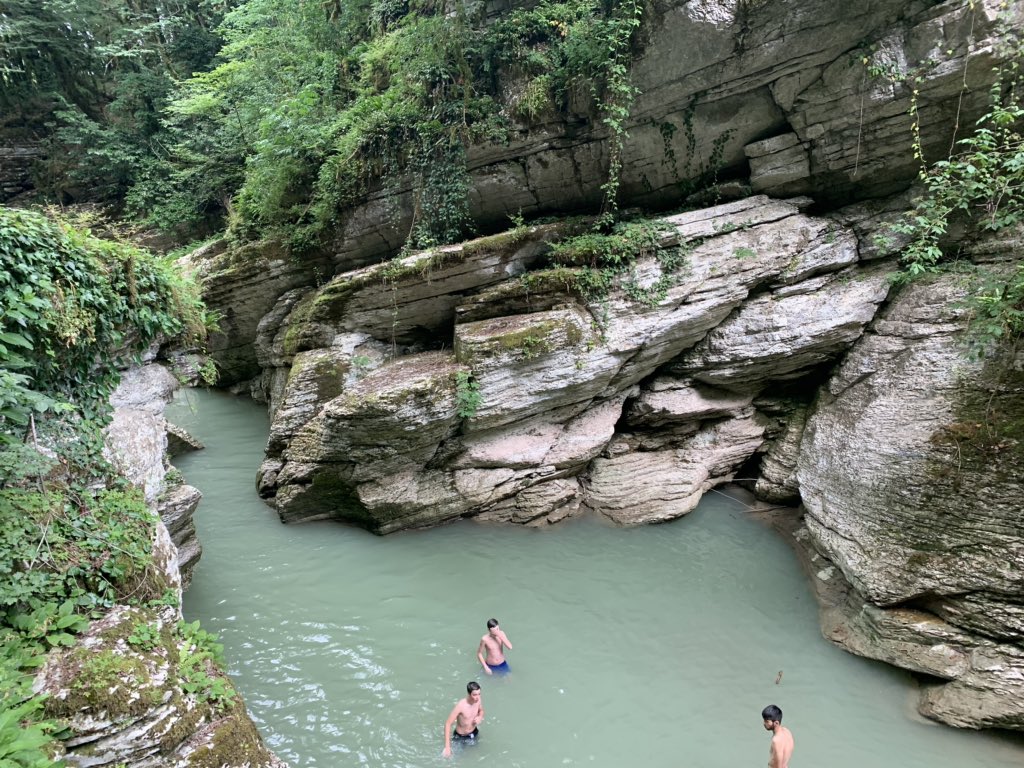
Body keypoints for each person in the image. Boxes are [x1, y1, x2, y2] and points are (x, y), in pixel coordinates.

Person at [443, 681, 484, 758]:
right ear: (469, 694)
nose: (477, 697)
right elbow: (448, 724)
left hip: (474, 733)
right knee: (456, 758)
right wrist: (447, 747)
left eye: (479, 694)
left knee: (475, 756)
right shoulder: (461, 706)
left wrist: (480, 717)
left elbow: (481, 710)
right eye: (474, 695)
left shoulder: (478, 700)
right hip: (460, 737)